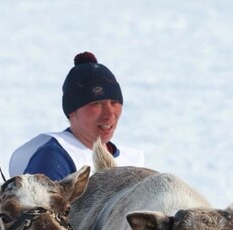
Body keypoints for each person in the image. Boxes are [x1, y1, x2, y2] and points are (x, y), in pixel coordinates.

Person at [9, 52, 144, 180]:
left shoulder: (132, 160)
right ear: (72, 111)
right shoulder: (53, 158)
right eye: (97, 104)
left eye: (114, 102)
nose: (109, 113)